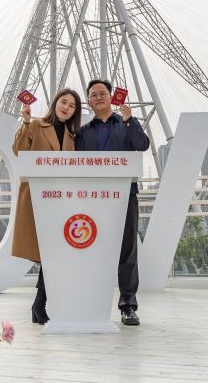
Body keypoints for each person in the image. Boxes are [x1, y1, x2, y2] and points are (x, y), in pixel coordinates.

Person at [74, 78, 149, 326]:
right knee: (92, 249)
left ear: (111, 96)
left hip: (125, 195)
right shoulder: (83, 132)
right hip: (93, 198)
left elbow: (142, 145)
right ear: (88, 101)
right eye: (93, 95)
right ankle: (92, 304)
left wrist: (130, 120)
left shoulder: (126, 123)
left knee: (127, 251)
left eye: (102, 93)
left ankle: (128, 306)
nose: (98, 97)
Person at [11, 87, 82, 325]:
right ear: (55, 103)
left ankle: (39, 304)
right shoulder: (35, 125)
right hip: (36, 196)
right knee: (48, 252)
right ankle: (39, 304)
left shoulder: (72, 136)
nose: (66, 108)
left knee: (54, 251)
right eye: (64, 102)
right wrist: (25, 122)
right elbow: (19, 151)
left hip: (59, 199)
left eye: (72, 106)